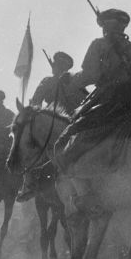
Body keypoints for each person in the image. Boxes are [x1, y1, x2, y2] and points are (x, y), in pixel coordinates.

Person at [54, 8, 131, 216]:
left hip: (112, 100)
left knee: (70, 138)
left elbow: (91, 74)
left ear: (104, 27)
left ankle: (86, 197)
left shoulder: (99, 45)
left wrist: (69, 81)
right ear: (123, 27)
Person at [16, 52, 87, 203]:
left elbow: (36, 104)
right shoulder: (66, 80)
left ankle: (28, 186)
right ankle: (29, 184)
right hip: (69, 123)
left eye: (59, 66)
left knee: (33, 150)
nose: (57, 68)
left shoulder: (54, 81)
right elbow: (36, 101)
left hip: (60, 124)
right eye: (58, 65)